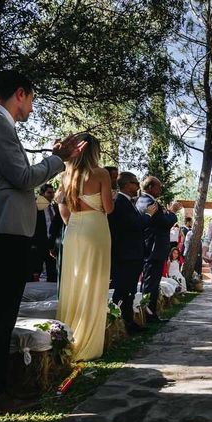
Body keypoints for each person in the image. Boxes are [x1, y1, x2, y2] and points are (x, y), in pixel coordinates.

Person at [0, 70, 83, 408]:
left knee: (2, 310)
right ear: (20, 93)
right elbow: (21, 176)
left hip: (8, 225)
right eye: (32, 99)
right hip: (3, 225)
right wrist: (59, 159)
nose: (31, 108)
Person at [57, 134, 113, 361]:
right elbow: (108, 208)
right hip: (95, 227)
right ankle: (87, 342)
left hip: (73, 229)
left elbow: (63, 208)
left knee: (74, 280)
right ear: (94, 151)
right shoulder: (101, 174)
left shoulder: (65, 175)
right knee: (94, 282)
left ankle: (67, 335)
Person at [108, 171, 154, 335]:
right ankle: (122, 322)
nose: (137, 186)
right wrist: (148, 214)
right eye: (135, 183)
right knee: (123, 290)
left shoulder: (128, 202)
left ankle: (128, 321)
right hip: (126, 255)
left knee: (130, 290)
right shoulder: (120, 202)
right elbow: (135, 225)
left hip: (132, 253)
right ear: (127, 185)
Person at [136, 176, 181, 322]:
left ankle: (150, 312)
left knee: (151, 282)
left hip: (153, 248)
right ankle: (149, 314)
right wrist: (173, 212)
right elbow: (164, 223)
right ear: (150, 188)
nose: (160, 190)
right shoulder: (148, 202)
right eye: (158, 187)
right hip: (154, 248)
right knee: (150, 283)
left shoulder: (144, 200)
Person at [30, 183, 62, 282]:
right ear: (42, 194)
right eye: (49, 192)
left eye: (53, 192)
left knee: (52, 272)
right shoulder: (35, 207)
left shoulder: (56, 207)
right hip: (38, 244)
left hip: (52, 244)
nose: (51, 195)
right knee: (35, 271)